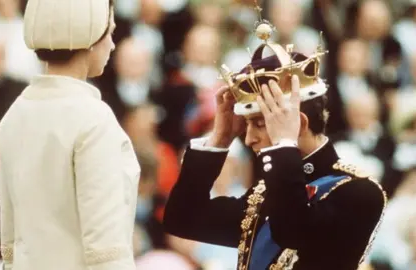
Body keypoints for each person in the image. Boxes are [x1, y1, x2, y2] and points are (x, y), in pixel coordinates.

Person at [163, 3, 386, 270]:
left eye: (259, 124)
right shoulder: (264, 195)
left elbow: (292, 230)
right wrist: (218, 141)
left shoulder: (359, 193)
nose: (248, 140)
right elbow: (182, 219)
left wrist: (283, 146)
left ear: (299, 123)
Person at [0, 0, 140, 269]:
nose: (112, 44)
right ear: (89, 37)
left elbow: (10, 244)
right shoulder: (94, 119)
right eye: (108, 32)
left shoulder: (15, 114)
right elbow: (106, 249)